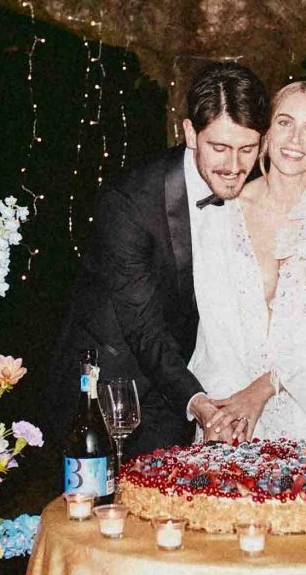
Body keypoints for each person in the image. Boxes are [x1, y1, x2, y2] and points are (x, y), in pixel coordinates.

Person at [43, 62, 271, 458]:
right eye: (219, 147)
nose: (234, 167)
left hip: (178, 387)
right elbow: (143, 326)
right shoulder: (129, 201)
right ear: (189, 133)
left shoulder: (250, 196)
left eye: (247, 149)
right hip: (111, 393)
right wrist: (199, 402)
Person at [190, 81, 306, 446]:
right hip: (230, 416)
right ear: (265, 133)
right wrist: (226, 410)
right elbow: (215, 328)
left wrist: (262, 390)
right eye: (285, 122)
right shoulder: (222, 213)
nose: (295, 139)